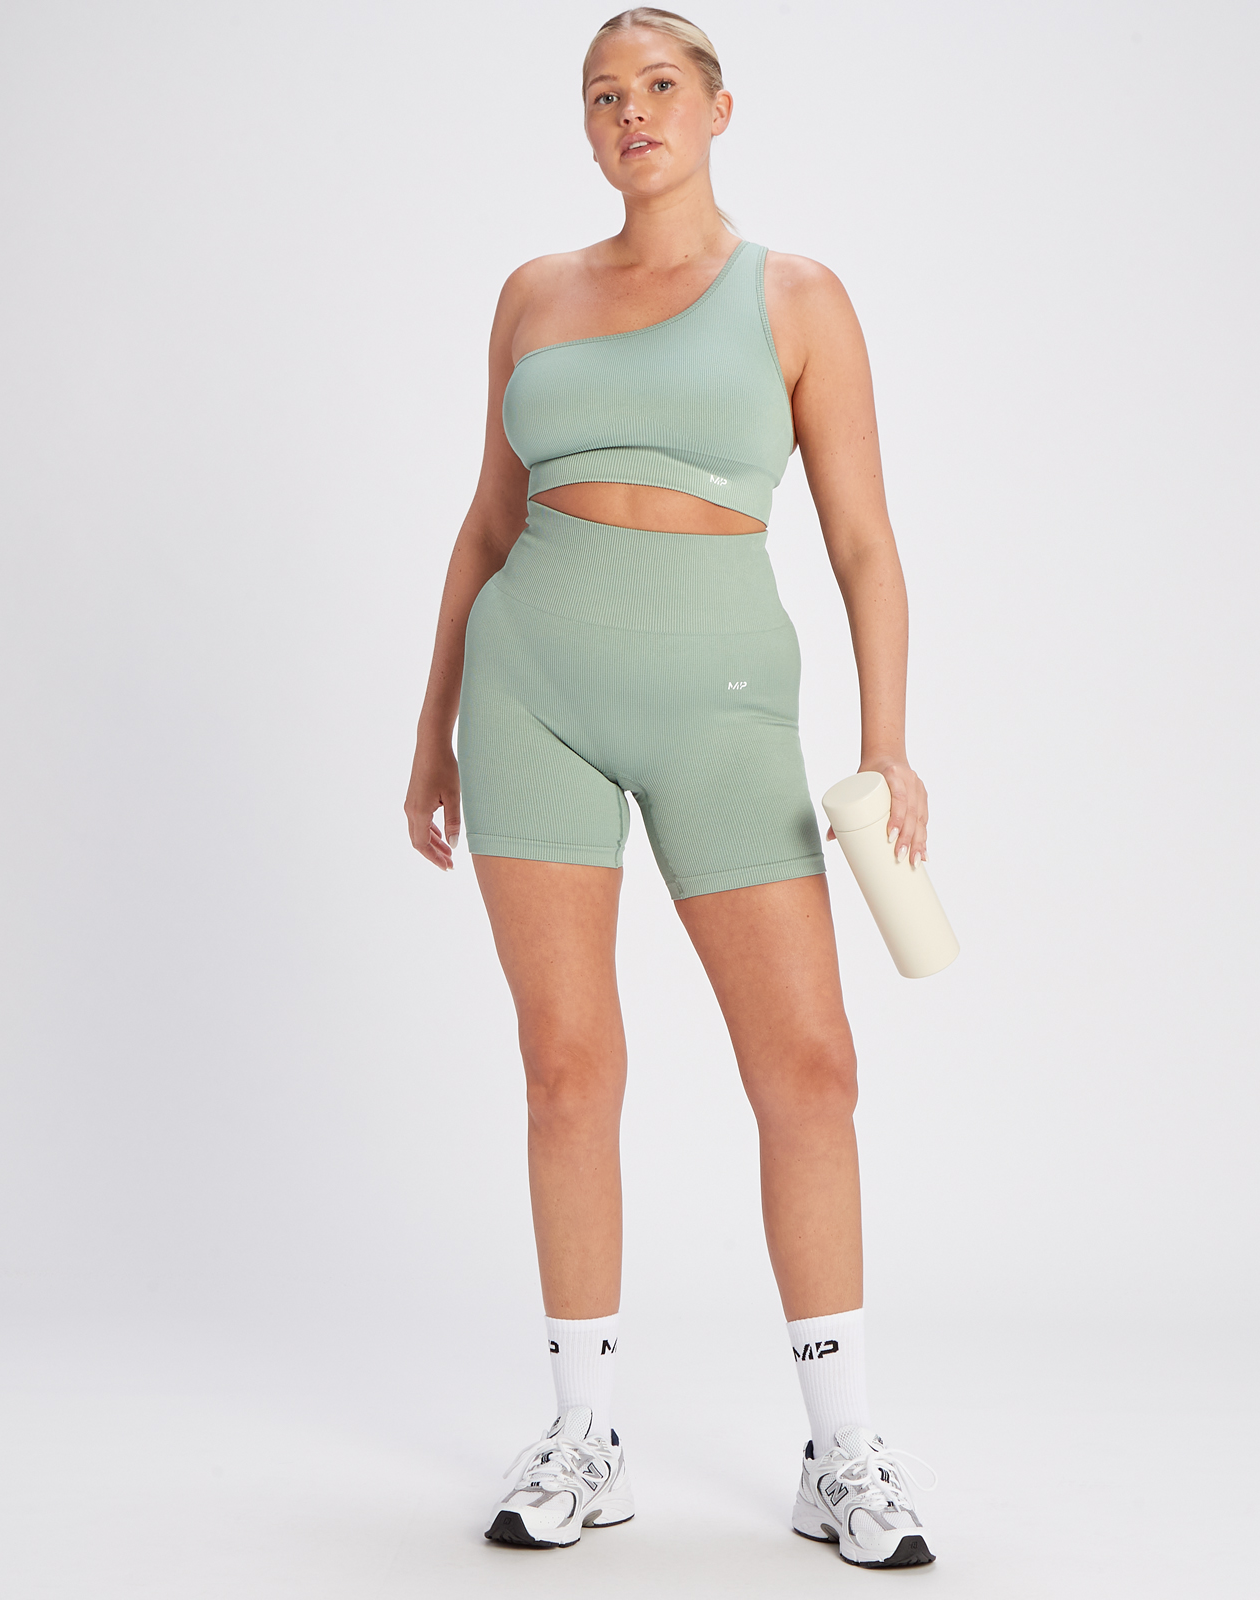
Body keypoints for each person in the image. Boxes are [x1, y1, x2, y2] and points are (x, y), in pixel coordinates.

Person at [404, 7, 937, 1569]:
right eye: (602, 96)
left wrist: (891, 741)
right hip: (531, 693)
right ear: (586, 128)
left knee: (811, 1071)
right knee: (567, 1069)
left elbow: (864, 543)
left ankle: (843, 1451)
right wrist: (431, 728)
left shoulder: (798, 296)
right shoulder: (532, 294)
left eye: (657, 87)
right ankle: (585, 1430)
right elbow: (486, 522)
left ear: (717, 108)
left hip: (723, 709)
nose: (629, 112)